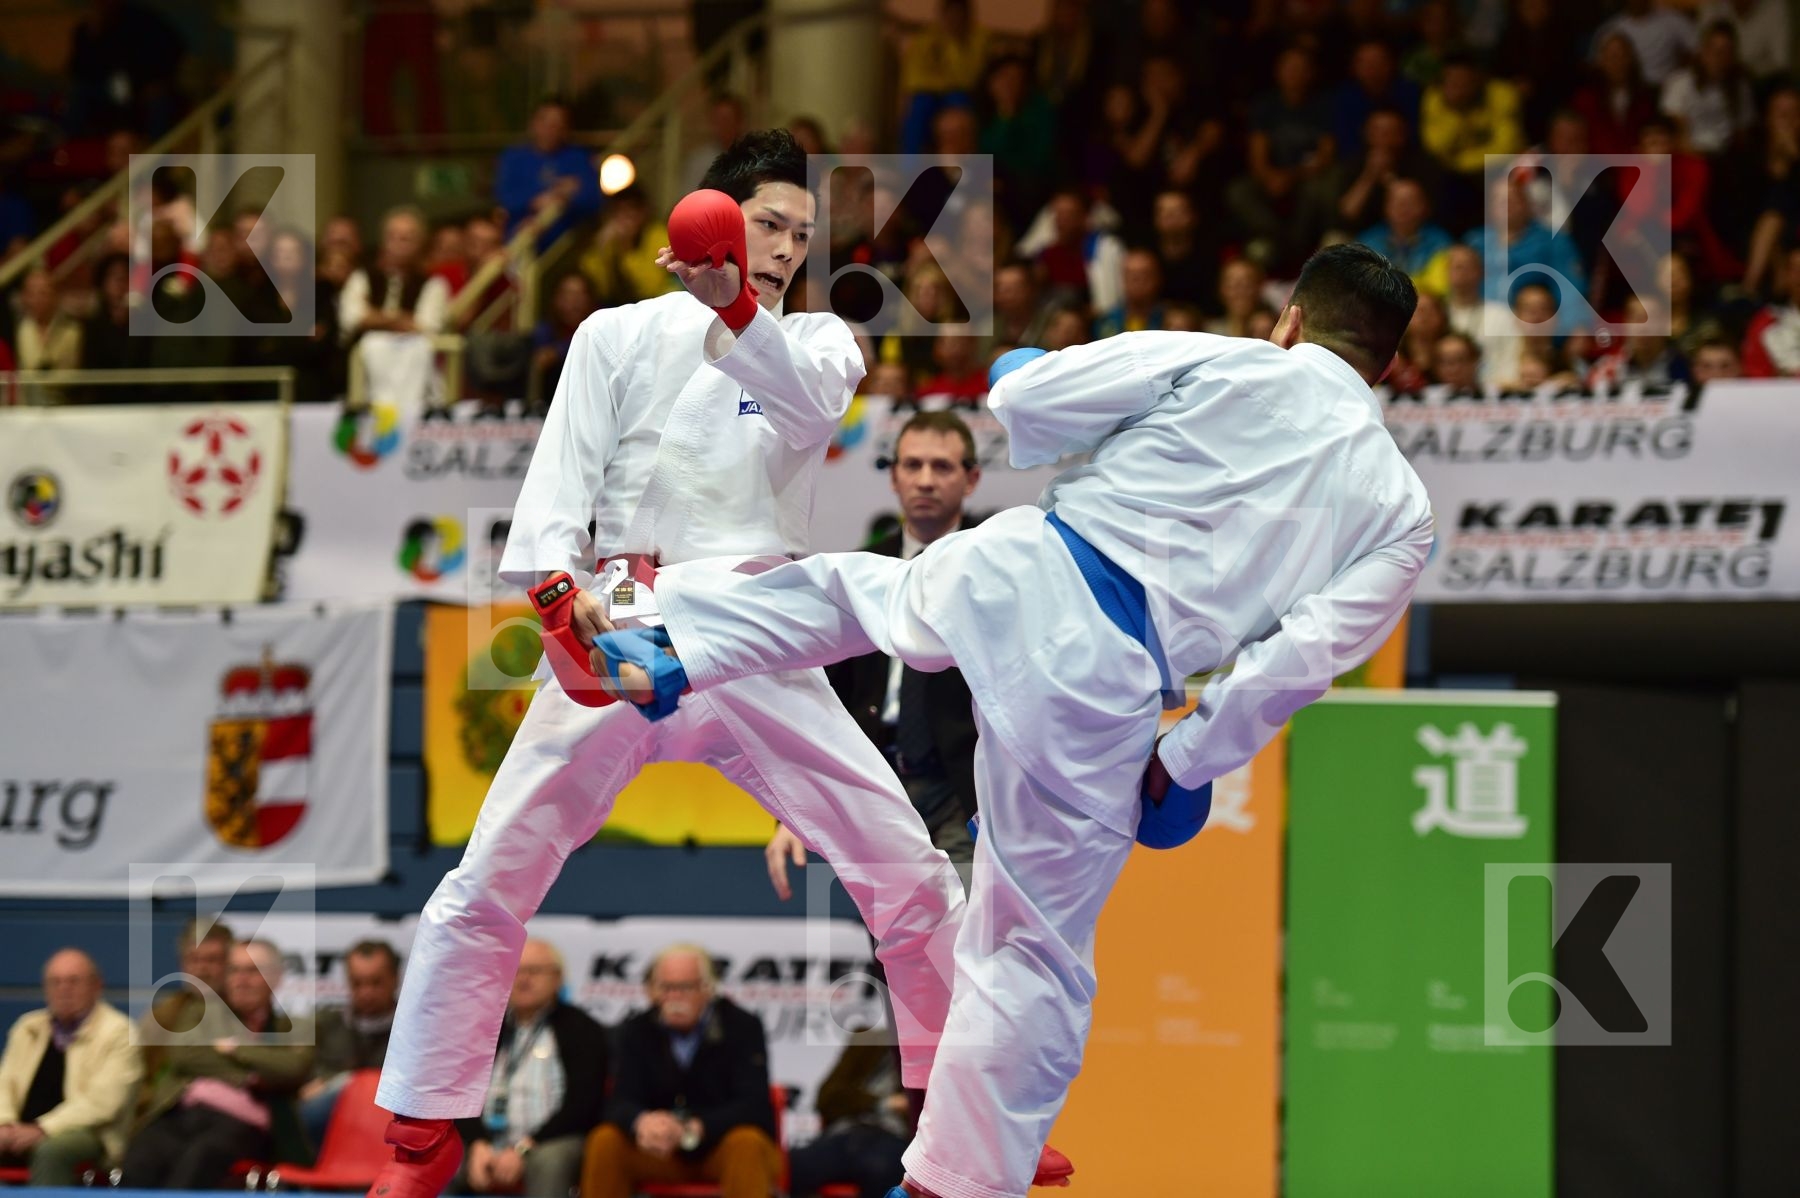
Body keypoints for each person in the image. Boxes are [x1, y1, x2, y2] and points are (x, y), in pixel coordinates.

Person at [604, 243, 1435, 1198]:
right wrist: (1188, 759)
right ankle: (952, 1182)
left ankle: (665, 639)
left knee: (859, 593)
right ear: (1387, 368)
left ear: (1290, 320)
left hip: (1027, 565)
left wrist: (1020, 376)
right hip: (1110, 681)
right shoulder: (1399, 511)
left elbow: (1033, 404)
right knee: (1033, 948)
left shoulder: (1226, 358)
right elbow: (1299, 663)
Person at [363, 130, 968, 1198]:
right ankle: (419, 1135)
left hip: (753, 620)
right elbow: (561, 476)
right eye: (768, 225)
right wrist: (556, 594)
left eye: (801, 236)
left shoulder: (819, 342)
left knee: (910, 870)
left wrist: (736, 312)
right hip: (625, 611)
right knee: (489, 873)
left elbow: (807, 406)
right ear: (719, 219)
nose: (786, 249)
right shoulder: (614, 333)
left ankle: (965, 1124)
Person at [766, 409, 987, 903]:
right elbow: (822, 701)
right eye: (912, 465)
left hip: (964, 787)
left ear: (971, 478)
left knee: (963, 929)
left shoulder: (994, 568)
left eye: (942, 466)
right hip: (876, 784)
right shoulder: (857, 571)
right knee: (898, 936)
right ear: (894, 476)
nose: (925, 480)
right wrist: (790, 814)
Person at [579, 945, 778, 1198]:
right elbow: (619, 1100)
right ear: (652, 991)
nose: (675, 997)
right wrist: (642, 1122)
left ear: (708, 989)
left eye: (685, 988)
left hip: (719, 1145)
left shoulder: (742, 1026)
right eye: (666, 988)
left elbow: (754, 1105)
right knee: (605, 1141)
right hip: (658, 1150)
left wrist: (696, 1127)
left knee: (748, 1143)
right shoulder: (636, 1030)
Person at [120, 940, 314, 1189]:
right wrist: (249, 1077)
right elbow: (185, 1055)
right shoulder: (202, 1011)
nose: (241, 979)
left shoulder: (295, 1027)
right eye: (234, 970)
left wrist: (235, 1048)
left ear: (275, 977)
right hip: (183, 1113)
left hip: (243, 1124)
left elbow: (293, 1068)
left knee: (200, 1159)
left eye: (252, 971)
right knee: (143, 1156)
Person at [454, 941, 607, 1198]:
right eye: (515, 971)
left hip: (550, 1140)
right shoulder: (484, 1026)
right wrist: (479, 1144)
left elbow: (583, 1105)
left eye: (534, 971)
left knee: (550, 1161)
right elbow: (461, 1092)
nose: (523, 980)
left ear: (557, 978)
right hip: (487, 1141)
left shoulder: (582, 1029)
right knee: (441, 1156)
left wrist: (524, 1148)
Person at [0, 950, 141, 1185]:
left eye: (74, 981)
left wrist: (43, 1128)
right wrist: (5, 1123)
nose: (63, 989)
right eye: (55, 982)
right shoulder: (27, 1027)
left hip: (88, 1133)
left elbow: (103, 1103)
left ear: (96, 986)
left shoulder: (120, 1032)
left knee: (51, 1151)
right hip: (20, 1126)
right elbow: (5, 1084)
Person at [300, 940, 401, 1147]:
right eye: (357, 983)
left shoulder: (413, 1029)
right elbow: (305, 1075)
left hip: (392, 1117)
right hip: (333, 1120)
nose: (366, 992)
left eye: (376, 982)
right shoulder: (326, 1024)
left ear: (395, 979)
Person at [496, 97, 602, 247]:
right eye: (545, 122)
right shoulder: (514, 157)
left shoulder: (579, 158)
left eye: (557, 124)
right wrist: (536, 200)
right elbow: (505, 197)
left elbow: (595, 200)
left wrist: (570, 196)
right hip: (522, 241)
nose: (551, 129)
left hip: (568, 243)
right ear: (533, 124)